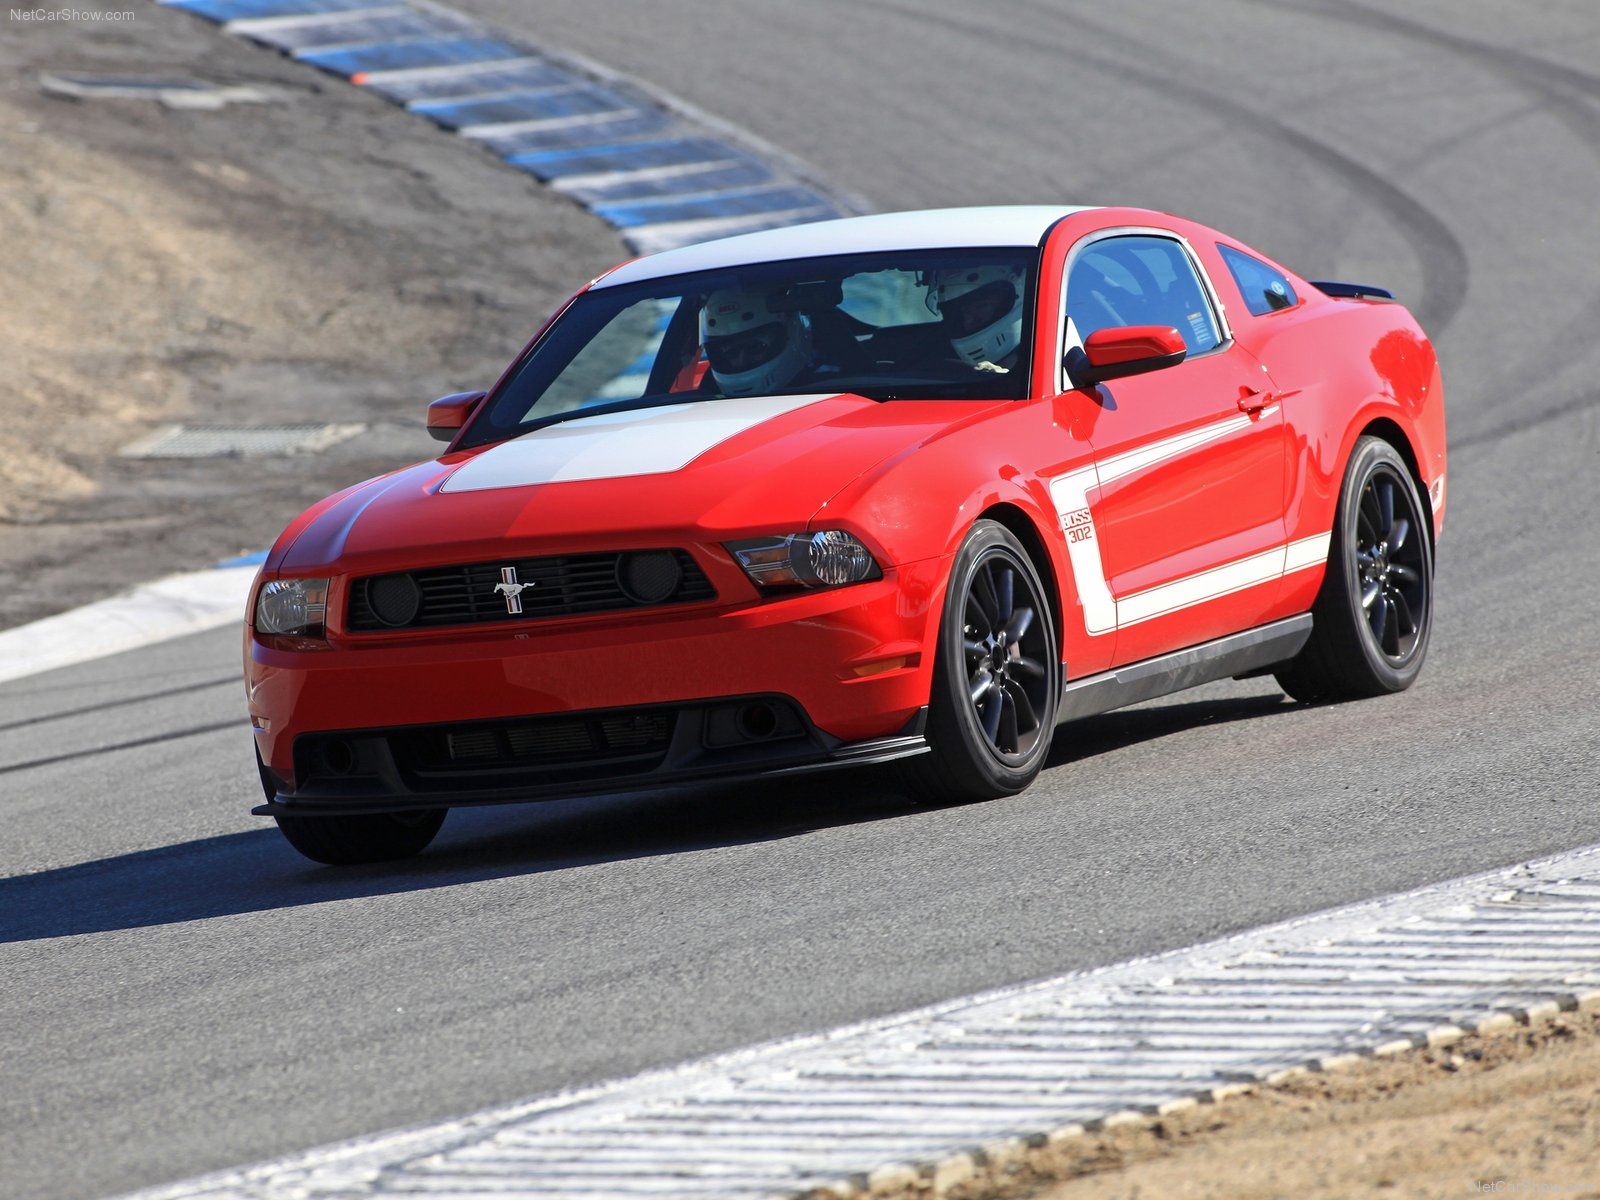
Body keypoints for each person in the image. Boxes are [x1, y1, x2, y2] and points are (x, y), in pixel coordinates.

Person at [699, 287, 816, 396]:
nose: (742, 360)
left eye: (755, 347)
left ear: (790, 335)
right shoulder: (705, 398)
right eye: (731, 353)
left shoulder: (824, 388)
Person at [927, 264, 1026, 373]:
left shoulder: (1044, 362)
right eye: (962, 313)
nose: (968, 321)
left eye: (981, 307)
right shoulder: (938, 366)